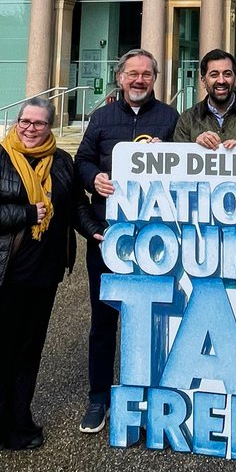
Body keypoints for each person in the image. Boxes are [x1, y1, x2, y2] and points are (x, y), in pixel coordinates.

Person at [0, 97, 105, 468]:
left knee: (27, 354)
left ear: (50, 127)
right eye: (24, 122)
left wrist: (94, 231)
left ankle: (17, 425)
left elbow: (75, 206)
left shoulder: (61, 162)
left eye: (38, 123)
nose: (30, 129)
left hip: (42, 278)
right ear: (16, 123)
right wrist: (23, 212)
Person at [74, 49, 178, 433]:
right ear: (119, 78)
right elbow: (82, 160)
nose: (139, 80)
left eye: (146, 74)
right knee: (103, 321)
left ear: (155, 79)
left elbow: (187, 169)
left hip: (155, 237)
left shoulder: (169, 117)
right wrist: (92, 179)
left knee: (155, 317)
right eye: (132, 74)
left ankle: (150, 392)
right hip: (107, 234)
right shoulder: (102, 117)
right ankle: (99, 396)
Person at [175, 49, 236, 148]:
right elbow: (178, 159)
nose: (221, 80)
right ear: (203, 81)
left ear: (235, 79)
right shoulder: (187, 119)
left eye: (227, 74)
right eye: (214, 75)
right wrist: (194, 147)